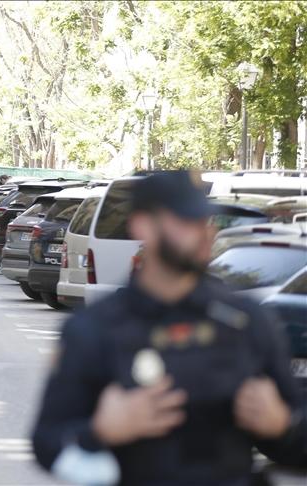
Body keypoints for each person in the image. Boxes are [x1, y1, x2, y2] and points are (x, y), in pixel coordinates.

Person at [32, 171, 306, 485]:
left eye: (205, 222)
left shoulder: (247, 322)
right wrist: (98, 432)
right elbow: (47, 445)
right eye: (185, 221)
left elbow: (296, 439)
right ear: (143, 226)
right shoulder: (94, 329)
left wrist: (283, 425)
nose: (204, 234)